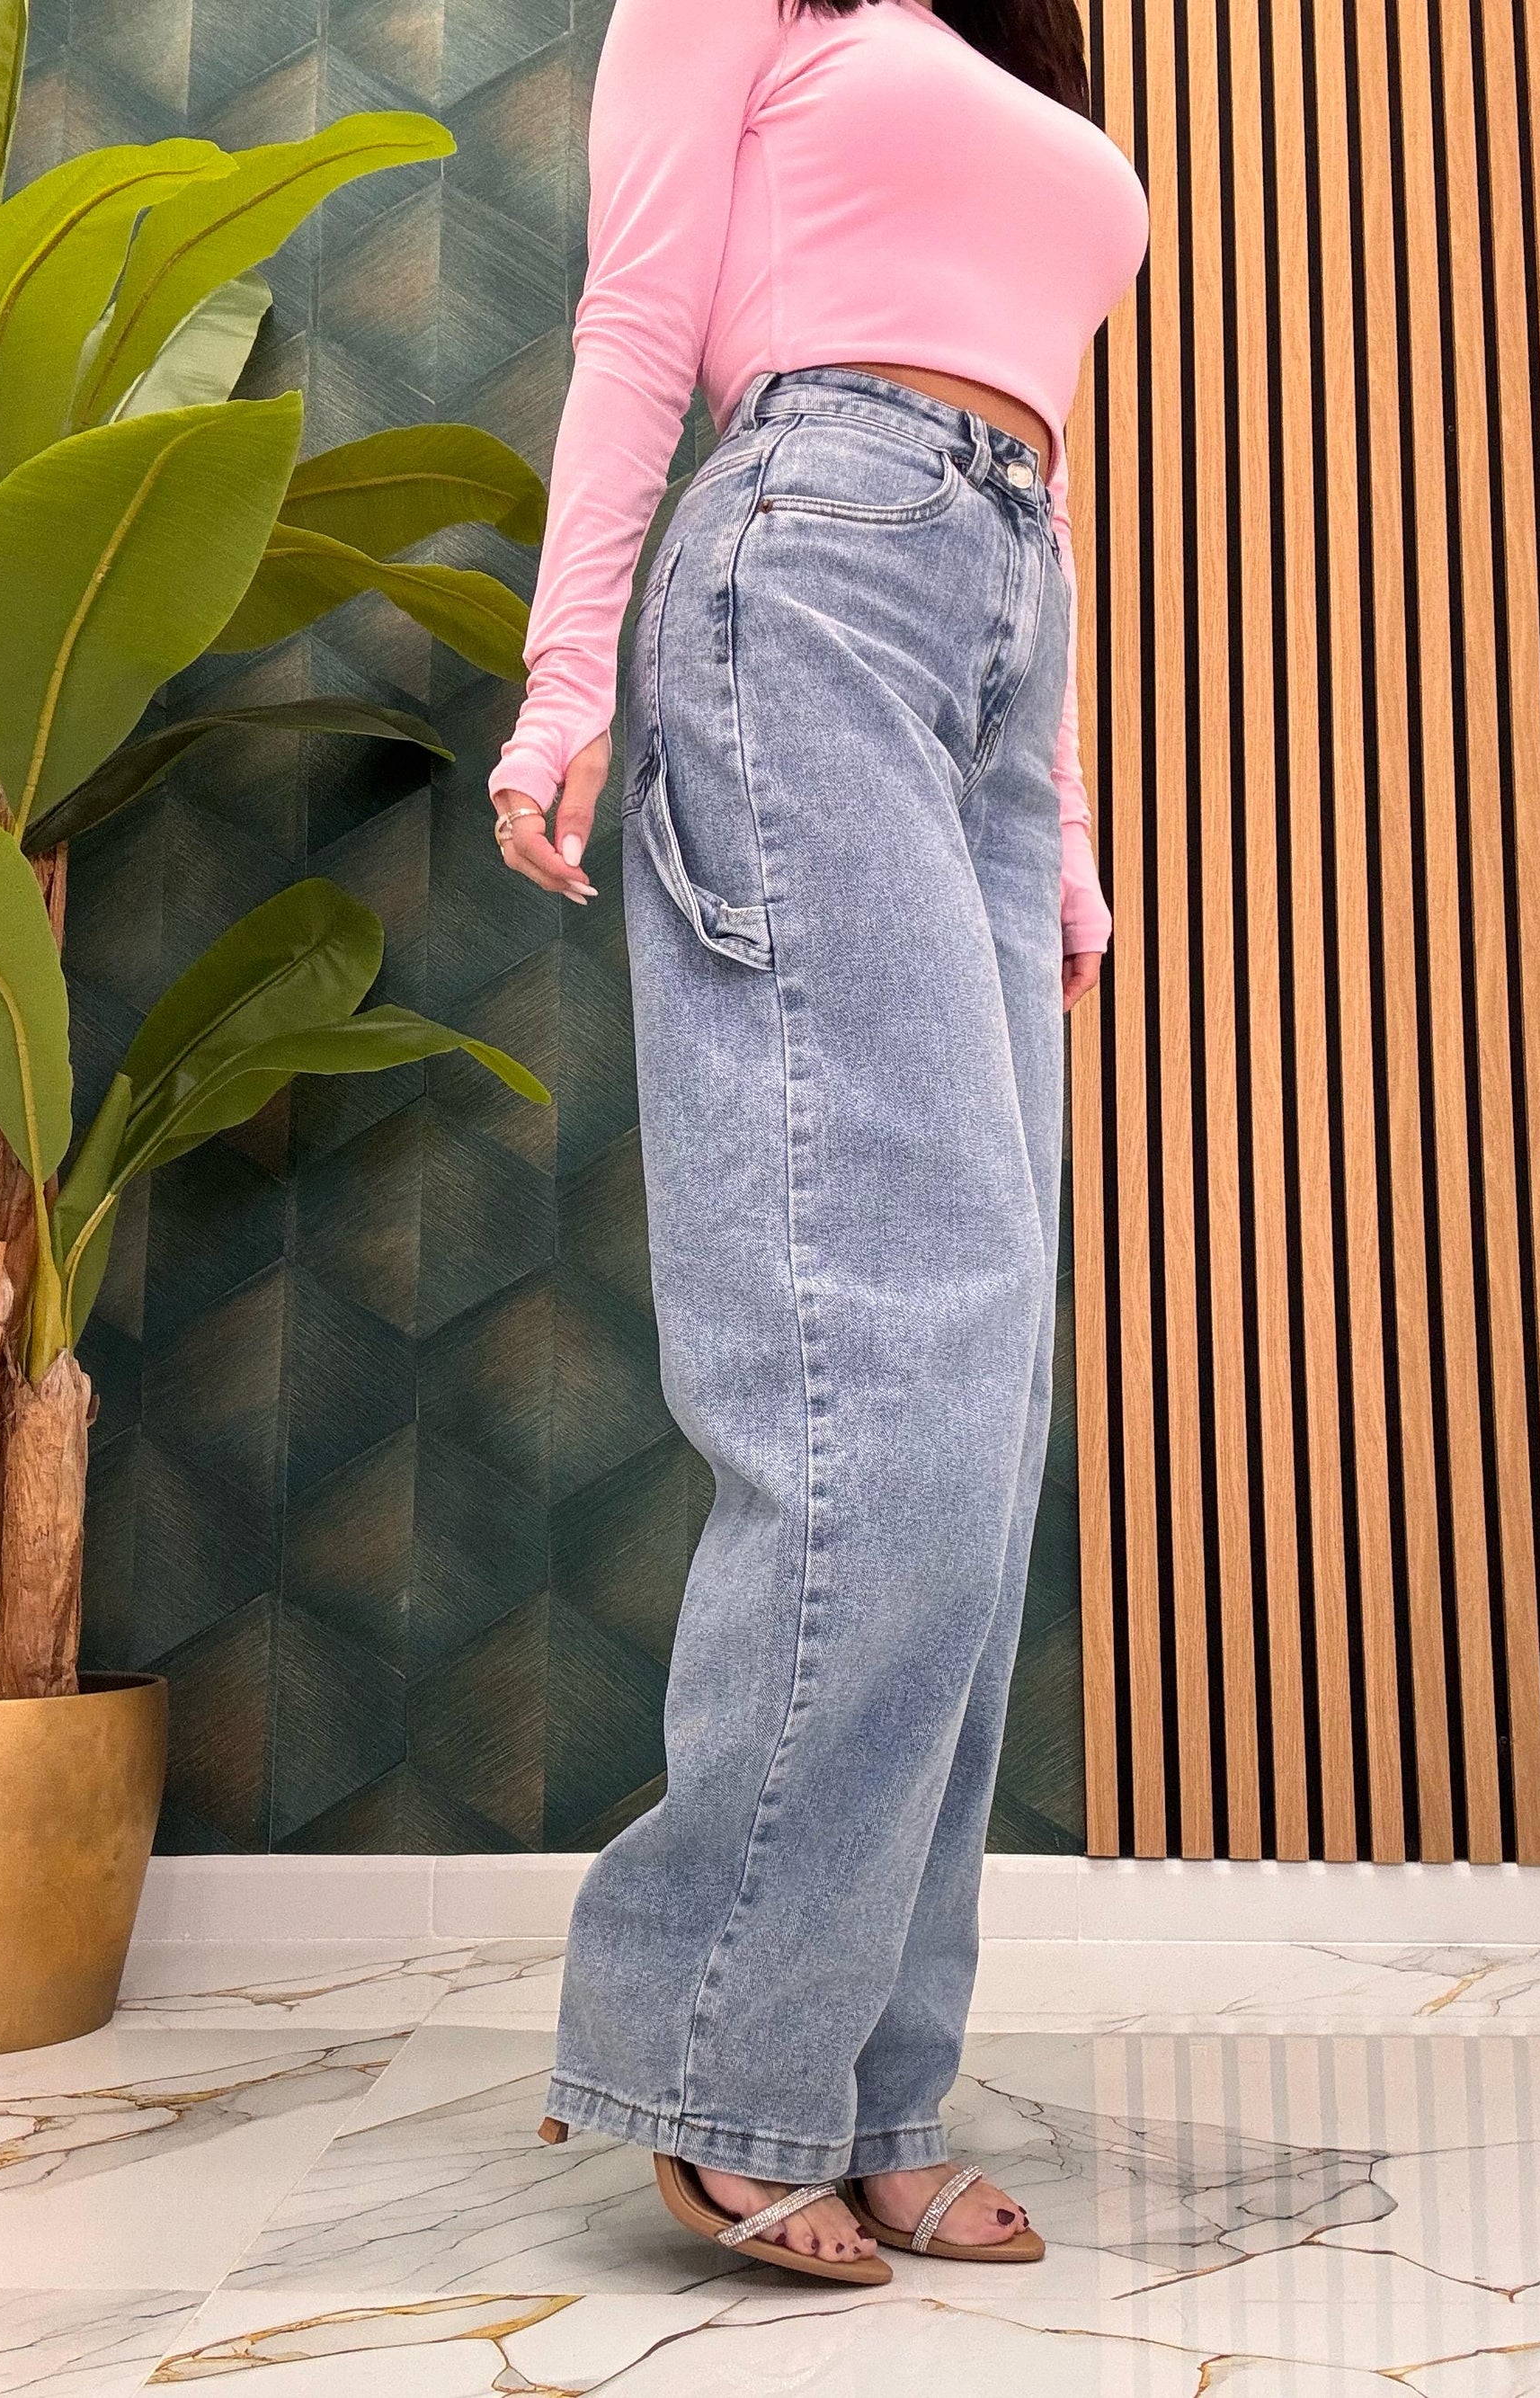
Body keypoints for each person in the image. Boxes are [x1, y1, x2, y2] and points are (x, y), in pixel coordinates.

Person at [487, 0, 1148, 2284]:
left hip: (990, 627)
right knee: (881, 1347)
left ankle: (869, 2088)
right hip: (810, 574)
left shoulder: (1012, 50)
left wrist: (1054, 821)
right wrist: (567, 683)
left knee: (980, 1385)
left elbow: (1030, 479)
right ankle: (721, 2055)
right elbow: (636, 318)